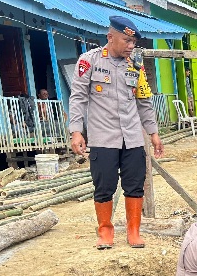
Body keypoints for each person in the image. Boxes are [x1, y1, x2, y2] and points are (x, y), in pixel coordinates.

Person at [69, 15, 164, 250]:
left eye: (133, 43)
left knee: (134, 184)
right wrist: (76, 131)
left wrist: (153, 133)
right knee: (104, 186)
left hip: (132, 137)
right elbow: (78, 98)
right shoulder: (89, 61)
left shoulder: (135, 65)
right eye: (126, 41)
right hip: (103, 137)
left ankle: (133, 231)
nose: (131, 46)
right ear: (110, 37)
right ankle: (105, 231)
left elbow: (143, 100)